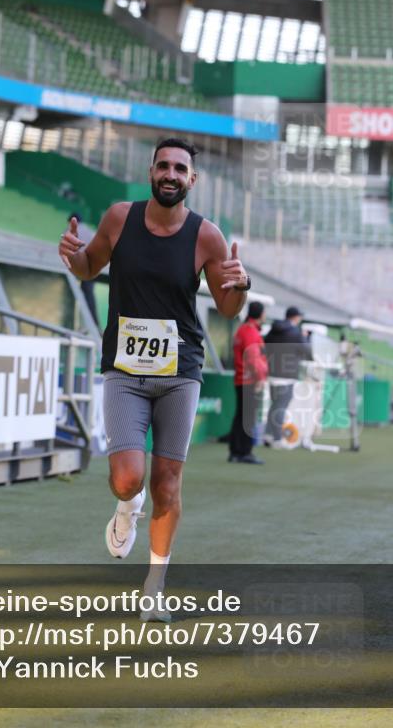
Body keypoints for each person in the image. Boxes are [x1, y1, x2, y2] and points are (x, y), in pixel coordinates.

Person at [58, 137, 251, 620]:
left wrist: (240, 287)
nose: (171, 174)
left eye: (180, 168)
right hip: (124, 369)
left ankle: (154, 588)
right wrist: (72, 254)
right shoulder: (120, 217)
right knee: (128, 479)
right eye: (163, 165)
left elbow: (227, 308)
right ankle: (127, 507)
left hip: (179, 372)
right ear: (151, 172)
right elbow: (89, 267)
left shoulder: (206, 236)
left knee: (168, 484)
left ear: (192, 179)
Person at [263, 305, 313, 446]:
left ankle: (268, 435)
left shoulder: (273, 330)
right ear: (296, 317)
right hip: (287, 375)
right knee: (280, 407)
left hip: (272, 373)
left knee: (275, 406)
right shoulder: (296, 333)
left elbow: (264, 345)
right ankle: (277, 439)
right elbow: (307, 352)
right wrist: (306, 338)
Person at [229, 300, 268, 464]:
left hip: (241, 378)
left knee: (241, 416)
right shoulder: (251, 332)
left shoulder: (242, 330)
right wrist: (260, 378)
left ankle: (236, 452)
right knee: (248, 418)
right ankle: (244, 452)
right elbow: (253, 358)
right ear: (260, 314)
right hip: (249, 380)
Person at [67, 212, 100, 331]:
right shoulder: (90, 231)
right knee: (88, 294)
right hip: (92, 266)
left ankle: (72, 324)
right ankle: (94, 324)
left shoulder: (72, 230)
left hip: (78, 265)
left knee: (72, 292)